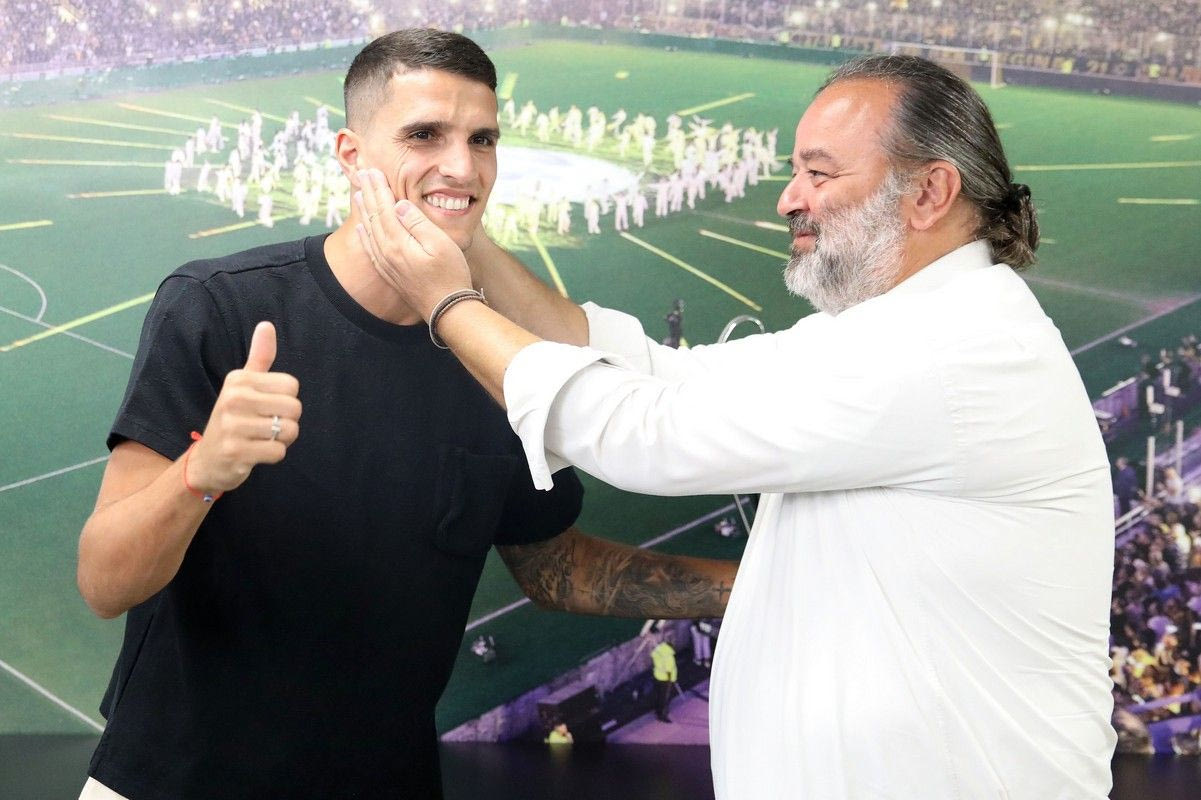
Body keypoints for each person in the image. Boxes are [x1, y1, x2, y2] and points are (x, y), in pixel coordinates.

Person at [357, 53, 1117, 798]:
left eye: (819, 174)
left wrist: (447, 301)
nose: (789, 199)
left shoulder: (948, 353)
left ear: (929, 192)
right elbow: (658, 373)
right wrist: (465, 241)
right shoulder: (903, 332)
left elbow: (646, 436)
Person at [75, 30, 737, 800]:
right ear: (350, 154)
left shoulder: (503, 360)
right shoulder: (219, 308)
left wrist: (764, 583)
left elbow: (558, 568)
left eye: (481, 139)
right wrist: (203, 471)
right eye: (424, 134)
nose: (461, 166)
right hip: (174, 781)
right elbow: (105, 582)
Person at [651, 639, 678, 723]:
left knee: (658, 696)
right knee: (665, 698)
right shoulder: (669, 656)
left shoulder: (658, 651)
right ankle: (663, 715)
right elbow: (669, 669)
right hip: (666, 680)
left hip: (657, 676)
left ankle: (657, 711)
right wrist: (670, 681)